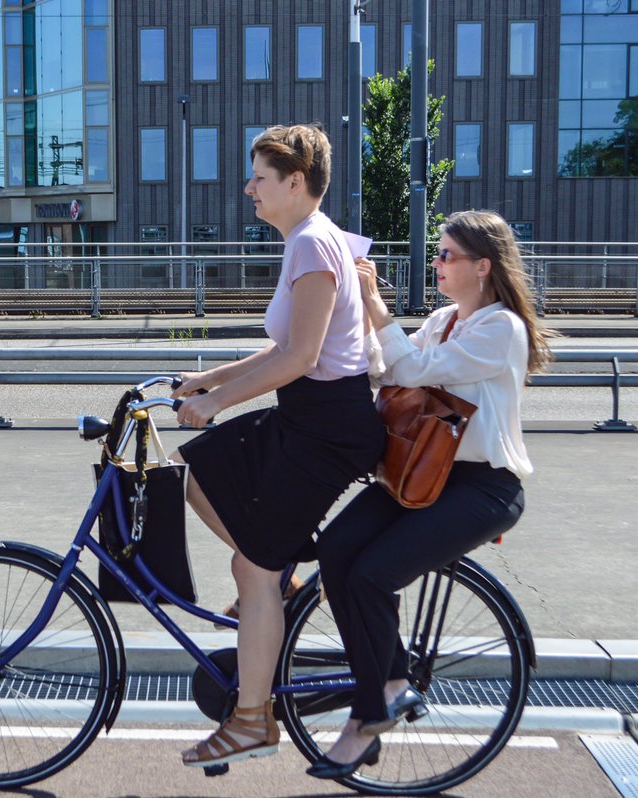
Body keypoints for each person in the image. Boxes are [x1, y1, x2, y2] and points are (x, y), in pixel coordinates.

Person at [307, 209, 555, 780]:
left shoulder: (501, 329)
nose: (436, 263)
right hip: (421, 473)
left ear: (482, 266)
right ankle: (389, 685)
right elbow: (389, 369)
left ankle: (372, 709)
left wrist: (377, 308)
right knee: (336, 549)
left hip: (482, 486)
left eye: (446, 255)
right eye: (438, 253)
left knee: (372, 575)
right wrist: (355, 328)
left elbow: (413, 368)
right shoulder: (445, 320)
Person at [170, 124, 386, 768]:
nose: (249, 188)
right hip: (309, 418)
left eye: (259, 177)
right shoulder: (310, 240)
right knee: (198, 471)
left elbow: (302, 357)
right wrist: (212, 377)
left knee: (252, 571)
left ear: (295, 182)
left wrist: (216, 404)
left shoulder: (314, 245)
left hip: (327, 429)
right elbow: (284, 346)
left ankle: (250, 721)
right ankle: (280, 575)